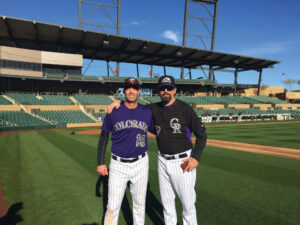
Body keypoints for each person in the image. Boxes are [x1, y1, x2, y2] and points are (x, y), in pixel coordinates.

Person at [108, 75, 207, 225]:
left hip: (183, 161)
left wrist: (195, 157)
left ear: (175, 90)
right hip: (162, 161)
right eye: (162, 88)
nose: (165, 91)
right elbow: (133, 104)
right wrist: (119, 102)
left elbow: (202, 134)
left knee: (188, 206)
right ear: (158, 91)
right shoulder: (154, 108)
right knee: (167, 206)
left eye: (169, 88)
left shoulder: (185, 109)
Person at [97, 77, 154, 225]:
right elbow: (104, 136)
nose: (131, 91)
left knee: (139, 205)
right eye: (128, 88)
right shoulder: (114, 111)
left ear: (139, 91)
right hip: (118, 165)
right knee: (112, 207)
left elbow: (159, 129)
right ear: (124, 91)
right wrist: (100, 162)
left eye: (134, 88)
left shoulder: (146, 112)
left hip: (141, 163)